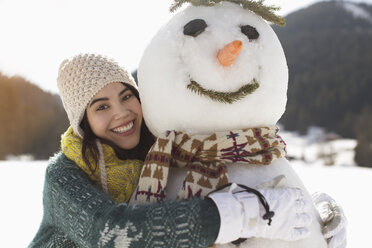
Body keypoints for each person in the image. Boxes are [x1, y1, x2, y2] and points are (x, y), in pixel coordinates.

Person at [29, 53, 315, 247]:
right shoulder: (63, 176)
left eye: (127, 96)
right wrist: (237, 214)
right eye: (101, 106)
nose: (122, 113)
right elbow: (110, 233)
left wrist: (313, 215)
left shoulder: (162, 153)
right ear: (84, 122)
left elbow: (225, 166)